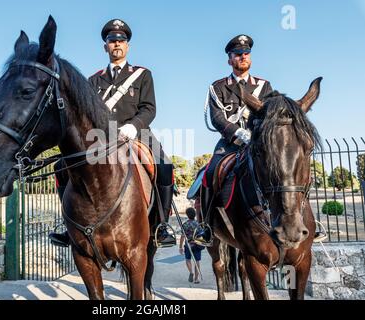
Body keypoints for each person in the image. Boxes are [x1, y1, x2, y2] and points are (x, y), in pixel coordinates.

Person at [49, 19, 176, 248]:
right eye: (111, 41)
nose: (116, 44)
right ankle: (67, 226)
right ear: (105, 47)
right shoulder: (93, 80)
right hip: (101, 137)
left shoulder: (142, 75)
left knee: (164, 166)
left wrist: (132, 126)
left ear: (127, 46)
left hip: (137, 133)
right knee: (62, 166)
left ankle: (161, 225)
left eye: (121, 40)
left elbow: (149, 108)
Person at [194, 35, 274, 246]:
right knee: (210, 173)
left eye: (246, 53)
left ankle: (287, 218)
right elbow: (217, 118)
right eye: (237, 54)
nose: (242, 57)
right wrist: (239, 133)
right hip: (230, 145)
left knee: (281, 169)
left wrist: (256, 135)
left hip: (257, 144)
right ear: (230, 59)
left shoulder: (264, 86)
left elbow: (270, 114)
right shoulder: (218, 87)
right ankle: (207, 226)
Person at [179, 207, 205, 284]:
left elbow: (182, 236)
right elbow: (201, 234)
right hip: (197, 245)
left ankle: (191, 272)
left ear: (187, 215)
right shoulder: (197, 224)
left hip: (188, 245)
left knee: (188, 260)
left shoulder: (185, 224)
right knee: (197, 262)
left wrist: (180, 247)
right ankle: (196, 279)